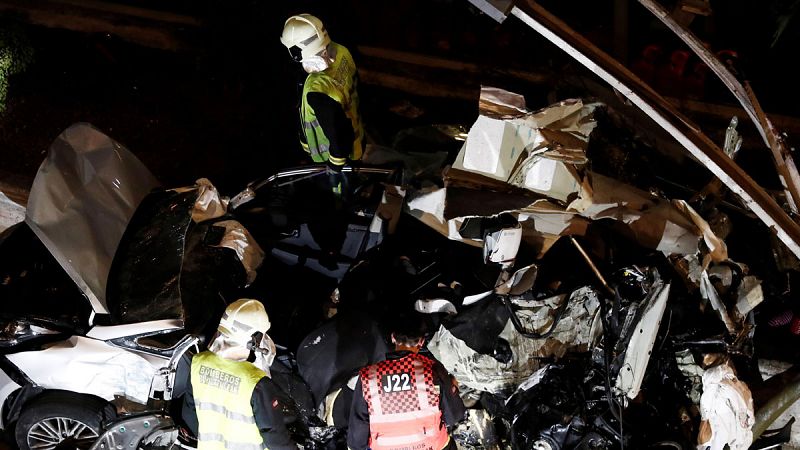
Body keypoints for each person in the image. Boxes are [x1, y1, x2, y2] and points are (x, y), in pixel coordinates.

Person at [175, 298, 298, 450]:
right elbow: (274, 436)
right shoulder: (256, 382)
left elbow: (190, 416)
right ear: (255, 338)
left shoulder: (198, 363)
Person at [347, 315, 466, 450]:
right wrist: (453, 384)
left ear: (393, 338)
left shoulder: (367, 376)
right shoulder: (431, 368)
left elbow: (356, 440)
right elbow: (454, 416)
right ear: (421, 342)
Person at [280, 14, 364, 175]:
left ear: (296, 51)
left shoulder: (317, 90)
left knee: (340, 192)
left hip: (335, 156)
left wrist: (335, 163)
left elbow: (335, 127)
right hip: (357, 135)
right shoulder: (341, 52)